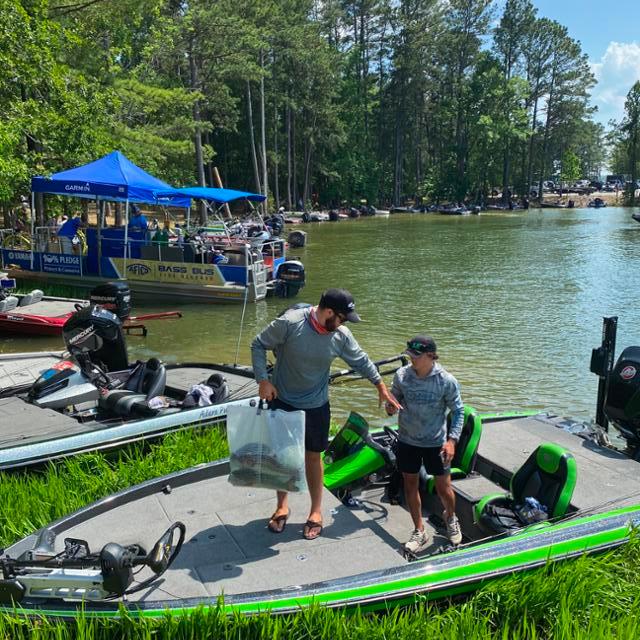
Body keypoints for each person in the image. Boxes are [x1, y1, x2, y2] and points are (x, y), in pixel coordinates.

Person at [251, 288, 401, 540]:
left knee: (313, 456)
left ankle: (316, 511)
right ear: (328, 312)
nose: (343, 324)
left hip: (316, 405)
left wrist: (381, 387)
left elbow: (361, 360)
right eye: (342, 317)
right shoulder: (290, 323)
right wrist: (262, 380)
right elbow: (258, 344)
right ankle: (282, 506)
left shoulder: (340, 335)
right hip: (283, 400)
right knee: (281, 455)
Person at [385, 335, 464, 553]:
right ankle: (419, 530)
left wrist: (452, 441)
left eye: (416, 356)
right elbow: (394, 400)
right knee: (410, 484)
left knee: (443, 487)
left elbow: (458, 412)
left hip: (435, 443)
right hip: (407, 440)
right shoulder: (402, 375)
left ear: (431, 356)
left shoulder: (446, 380)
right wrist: (390, 407)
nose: (411, 359)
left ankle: (451, 517)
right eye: (409, 354)